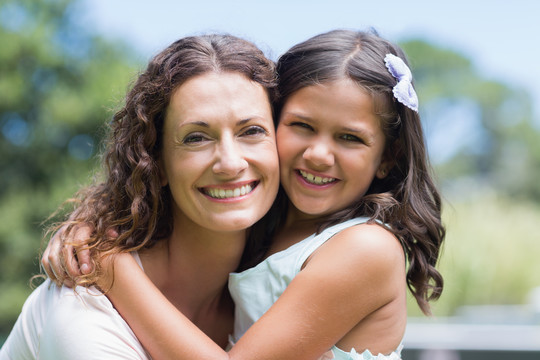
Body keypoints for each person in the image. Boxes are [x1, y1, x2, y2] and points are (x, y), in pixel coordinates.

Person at [42, 29, 445, 360]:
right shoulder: (268, 223)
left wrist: (116, 273)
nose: (319, 154)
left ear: (387, 158)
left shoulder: (365, 248)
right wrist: (89, 225)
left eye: (350, 138)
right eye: (302, 125)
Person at [0, 34, 281, 360]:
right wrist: (110, 270)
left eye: (252, 131)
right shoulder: (84, 307)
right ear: (155, 162)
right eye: (196, 138)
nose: (231, 163)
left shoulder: (284, 285)